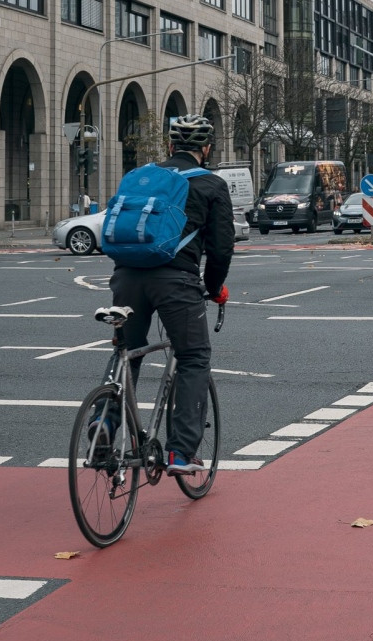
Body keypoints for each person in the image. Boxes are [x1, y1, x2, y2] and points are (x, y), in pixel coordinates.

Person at [106, 114, 234, 474]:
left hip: (126, 277)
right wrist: (214, 289)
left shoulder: (141, 177)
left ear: (170, 146)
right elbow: (222, 250)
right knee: (193, 357)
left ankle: (103, 422)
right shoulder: (211, 184)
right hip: (176, 282)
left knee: (125, 352)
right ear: (206, 149)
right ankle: (180, 453)